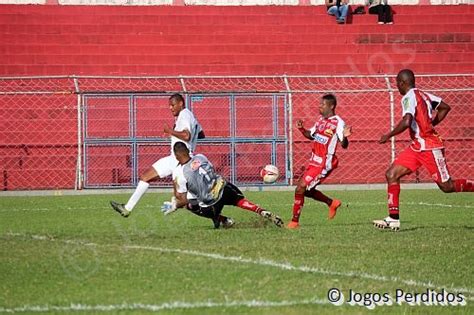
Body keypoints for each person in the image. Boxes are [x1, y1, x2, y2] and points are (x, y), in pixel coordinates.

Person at [373, 69, 473, 231]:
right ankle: (393, 218)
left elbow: (406, 122)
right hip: (417, 146)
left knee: (447, 186)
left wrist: (388, 135)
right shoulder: (425, 95)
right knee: (392, 174)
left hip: (430, 146)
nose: (396, 87)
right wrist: (431, 123)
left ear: (402, 83)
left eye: (397, 83)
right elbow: (445, 107)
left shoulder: (408, 98)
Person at [110, 93, 204, 217]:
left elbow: (187, 136)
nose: (171, 108)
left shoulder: (185, 114)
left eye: (173, 105)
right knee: (145, 177)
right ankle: (127, 208)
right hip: (173, 158)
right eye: (169, 106)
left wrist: (170, 131)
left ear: (181, 103)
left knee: (181, 201)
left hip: (181, 161)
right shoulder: (189, 116)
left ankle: (220, 218)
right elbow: (201, 134)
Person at [163, 142, 284, 229]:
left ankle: (222, 219)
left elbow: (182, 199)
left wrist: (175, 204)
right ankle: (261, 211)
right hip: (223, 188)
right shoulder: (200, 156)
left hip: (211, 203)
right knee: (239, 201)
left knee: (190, 205)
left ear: (176, 155)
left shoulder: (179, 172)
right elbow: (210, 170)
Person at [288, 94, 352, 229]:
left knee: (300, 188)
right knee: (306, 191)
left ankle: (294, 222)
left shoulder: (338, 122)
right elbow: (311, 136)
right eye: (320, 104)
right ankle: (331, 203)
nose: (319, 106)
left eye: (322, 105)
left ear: (331, 106)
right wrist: (301, 129)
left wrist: (346, 137)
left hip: (324, 163)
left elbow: (344, 144)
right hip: (313, 161)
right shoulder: (320, 120)